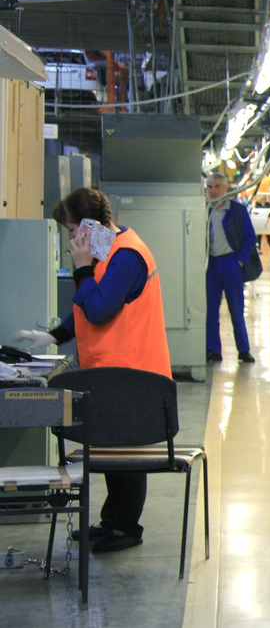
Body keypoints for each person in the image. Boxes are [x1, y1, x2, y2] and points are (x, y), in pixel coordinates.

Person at [11, 187, 171, 553]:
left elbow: (99, 308)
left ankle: (126, 528)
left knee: (125, 454)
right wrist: (53, 336)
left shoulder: (127, 255)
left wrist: (82, 267)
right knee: (112, 449)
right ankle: (112, 521)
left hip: (134, 372)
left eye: (71, 231)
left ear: (88, 226)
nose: (71, 239)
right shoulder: (107, 252)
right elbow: (86, 306)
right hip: (112, 370)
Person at [204, 174, 258, 363]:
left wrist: (240, 260)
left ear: (225, 189)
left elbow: (250, 237)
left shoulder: (237, 211)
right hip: (211, 265)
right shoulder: (204, 211)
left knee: (236, 309)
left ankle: (243, 350)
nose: (212, 190)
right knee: (210, 310)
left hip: (231, 263)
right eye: (209, 186)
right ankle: (213, 350)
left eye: (217, 186)